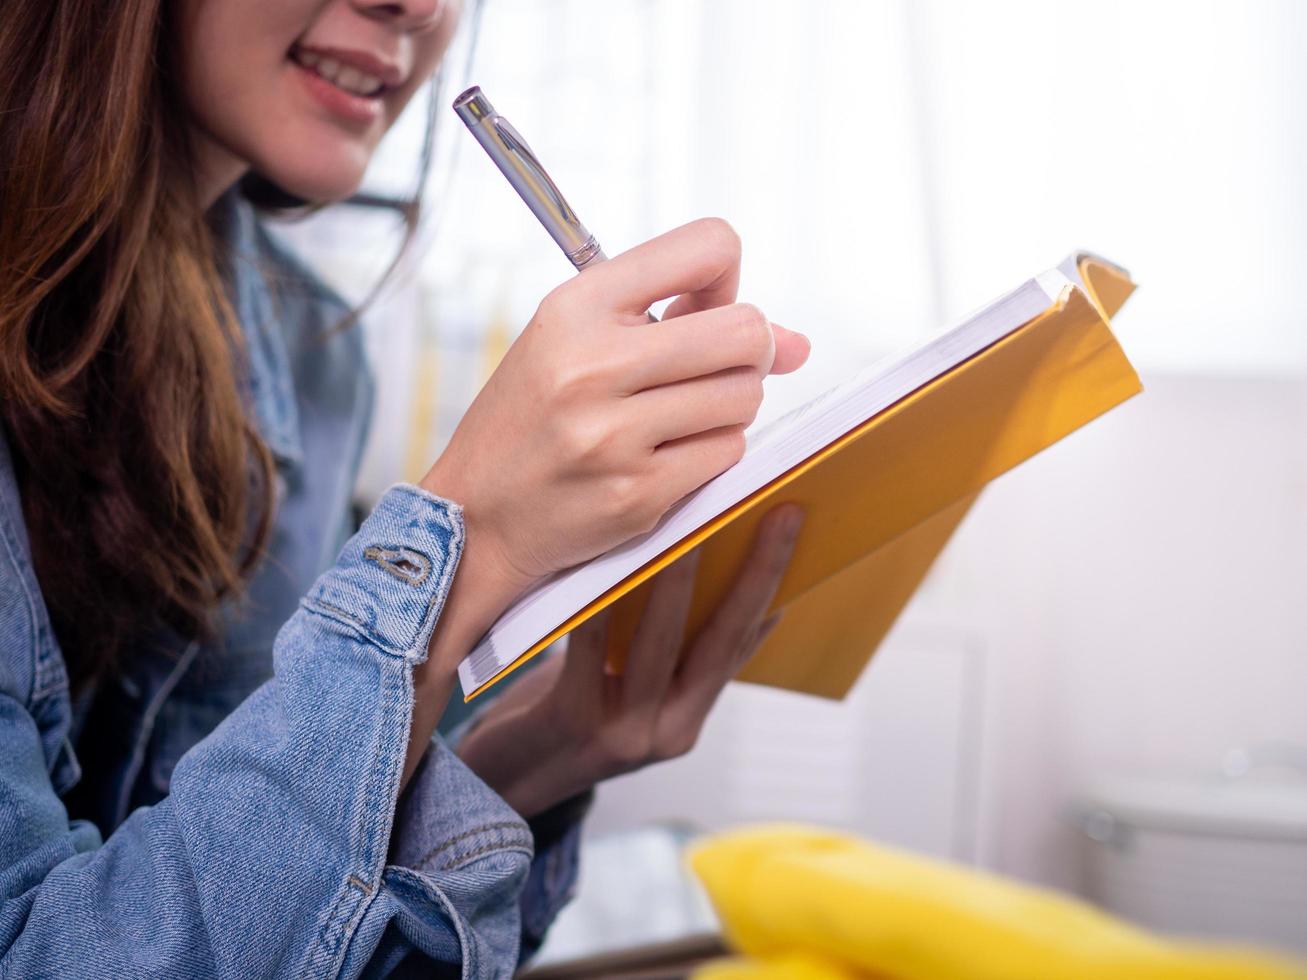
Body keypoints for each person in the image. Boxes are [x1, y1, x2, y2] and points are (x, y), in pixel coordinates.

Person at [0, 0, 811, 976]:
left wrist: (549, 744)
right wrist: (465, 547)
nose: (419, 6)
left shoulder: (312, 356)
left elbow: (249, 888)